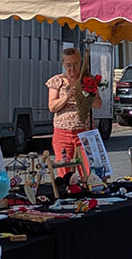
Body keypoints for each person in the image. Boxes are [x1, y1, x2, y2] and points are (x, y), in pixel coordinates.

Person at [47, 47, 102, 175]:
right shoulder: (57, 81)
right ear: (63, 64)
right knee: (64, 170)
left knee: (89, 170)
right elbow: (52, 107)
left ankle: (89, 191)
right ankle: (67, 192)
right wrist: (66, 97)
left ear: (81, 62)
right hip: (63, 132)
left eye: (76, 64)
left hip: (84, 131)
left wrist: (90, 94)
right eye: (68, 65)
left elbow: (99, 105)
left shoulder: (87, 80)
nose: (72, 69)